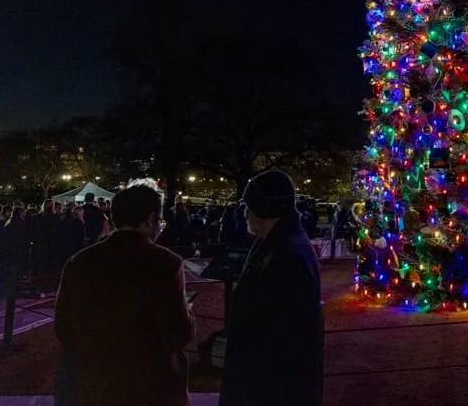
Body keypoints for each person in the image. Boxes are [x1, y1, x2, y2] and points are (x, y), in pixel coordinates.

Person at [54, 178, 196, 406]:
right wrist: (188, 314)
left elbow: (63, 325)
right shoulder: (165, 263)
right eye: (160, 220)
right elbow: (177, 333)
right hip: (149, 385)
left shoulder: (80, 262)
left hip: (93, 382)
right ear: (151, 219)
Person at [219, 170, 323, 406]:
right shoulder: (278, 244)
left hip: (270, 388)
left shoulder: (286, 256)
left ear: (263, 210)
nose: (244, 214)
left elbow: (278, 337)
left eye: (249, 206)